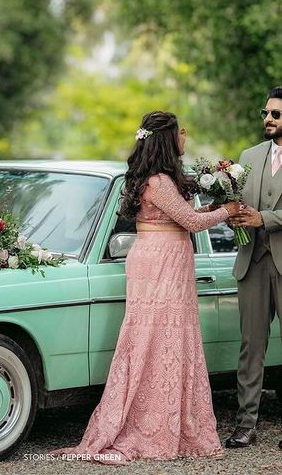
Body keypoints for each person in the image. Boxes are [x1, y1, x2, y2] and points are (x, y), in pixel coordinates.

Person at [49, 111, 241, 465]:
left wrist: (217, 203)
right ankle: (154, 424)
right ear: (166, 140)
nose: (184, 136)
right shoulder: (159, 181)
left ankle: (173, 419)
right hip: (161, 260)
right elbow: (192, 222)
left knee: (166, 337)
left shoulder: (160, 179)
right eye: (179, 133)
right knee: (159, 338)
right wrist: (229, 209)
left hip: (164, 257)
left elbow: (184, 216)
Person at [225, 87, 282, 449]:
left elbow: (264, 214)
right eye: (265, 113)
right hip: (253, 263)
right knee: (251, 348)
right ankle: (246, 424)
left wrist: (266, 218)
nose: (268, 120)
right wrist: (235, 218)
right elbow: (237, 205)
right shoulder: (249, 155)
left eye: (275, 114)